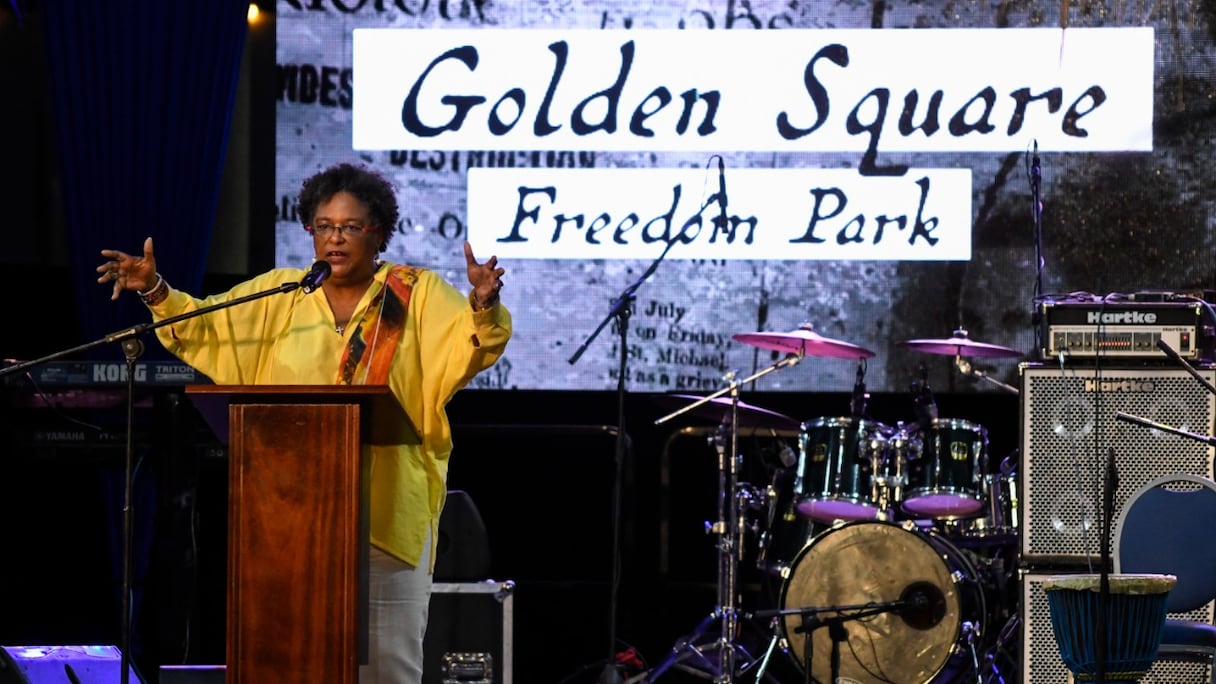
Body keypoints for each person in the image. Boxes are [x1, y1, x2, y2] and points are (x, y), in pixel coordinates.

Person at [96, 162, 512, 684]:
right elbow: (203, 328)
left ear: (379, 232)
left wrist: (482, 303)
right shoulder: (282, 294)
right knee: (290, 662)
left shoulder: (416, 294)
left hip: (385, 511)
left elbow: (474, 345)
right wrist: (155, 289)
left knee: (387, 668)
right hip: (288, 514)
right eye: (324, 226)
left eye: (351, 227)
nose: (335, 238)